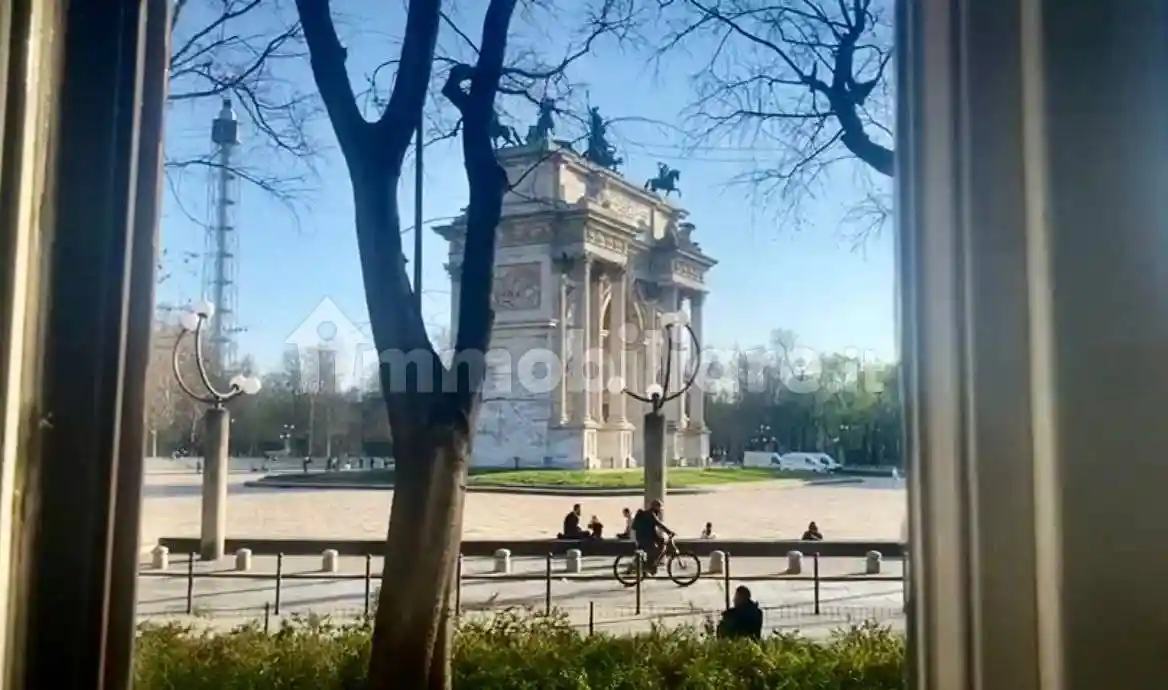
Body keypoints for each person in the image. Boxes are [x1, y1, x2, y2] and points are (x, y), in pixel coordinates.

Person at [631, 499, 676, 573]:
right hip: (644, 537)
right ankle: (649, 566)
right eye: (659, 507)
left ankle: (652, 565)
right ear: (655, 507)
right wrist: (670, 532)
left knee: (661, 542)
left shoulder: (651, 514)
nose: (660, 510)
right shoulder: (650, 514)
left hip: (648, 535)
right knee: (654, 550)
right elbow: (659, 524)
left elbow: (657, 526)